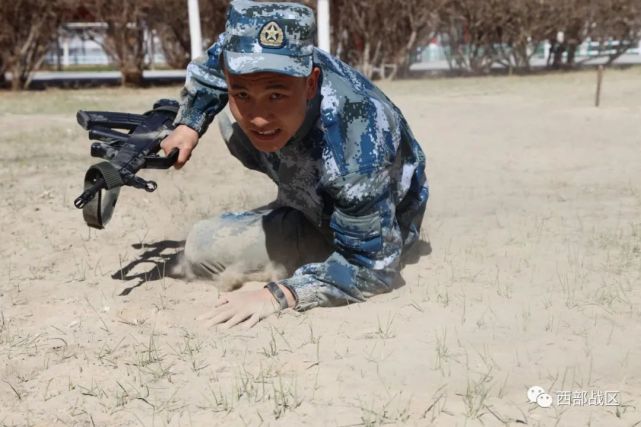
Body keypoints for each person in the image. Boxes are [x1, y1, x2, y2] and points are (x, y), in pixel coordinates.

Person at [161, 0, 429, 329]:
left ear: (311, 83)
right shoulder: (244, 52)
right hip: (326, 171)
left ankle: (310, 224)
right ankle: (298, 195)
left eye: (276, 95)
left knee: (202, 247)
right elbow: (217, 63)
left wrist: (278, 294)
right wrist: (189, 123)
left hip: (367, 223)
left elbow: (374, 267)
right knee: (230, 123)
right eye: (241, 93)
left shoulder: (356, 144)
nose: (258, 116)